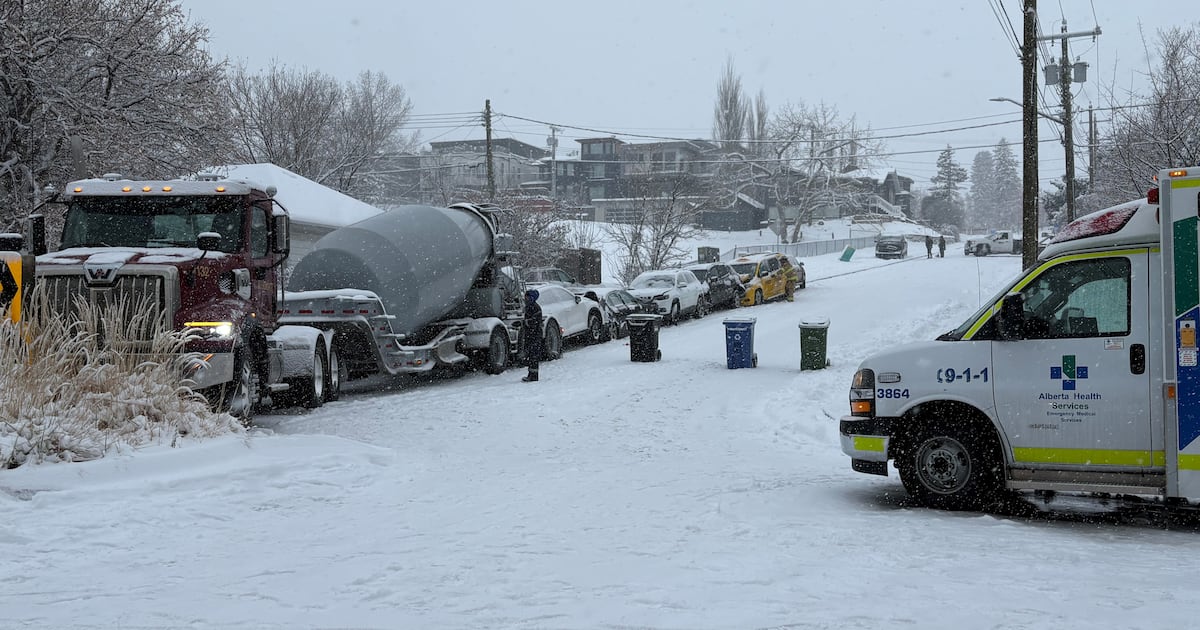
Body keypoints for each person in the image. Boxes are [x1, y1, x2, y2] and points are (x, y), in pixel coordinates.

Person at [522, 288, 543, 382]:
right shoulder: (529, 307)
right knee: (531, 355)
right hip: (530, 334)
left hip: (535, 335)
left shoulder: (535, 307)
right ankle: (531, 373)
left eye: (527, 297)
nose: (525, 299)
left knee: (534, 355)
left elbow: (534, 322)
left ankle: (534, 376)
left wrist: (526, 322)